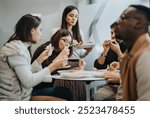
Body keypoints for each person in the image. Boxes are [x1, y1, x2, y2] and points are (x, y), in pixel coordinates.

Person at [0, 14, 74, 101]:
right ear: (32, 30)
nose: (41, 34)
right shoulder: (16, 51)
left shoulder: (21, 48)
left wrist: (39, 60)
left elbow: (26, 73)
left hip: (23, 96)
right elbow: (28, 82)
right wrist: (53, 65)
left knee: (66, 92)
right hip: (14, 100)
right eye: (40, 30)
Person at [31, 29, 86, 101]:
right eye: (64, 40)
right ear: (57, 38)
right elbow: (46, 70)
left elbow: (59, 70)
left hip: (47, 87)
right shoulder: (47, 48)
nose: (67, 44)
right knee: (67, 92)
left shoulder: (58, 52)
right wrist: (60, 56)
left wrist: (78, 67)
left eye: (69, 42)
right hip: (35, 89)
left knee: (68, 91)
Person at [112, 4, 150, 100]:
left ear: (139, 23)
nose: (117, 22)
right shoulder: (129, 54)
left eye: (122, 17)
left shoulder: (146, 56)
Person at [91, 22, 126, 101]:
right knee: (96, 97)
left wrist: (118, 51)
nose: (113, 36)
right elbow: (98, 65)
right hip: (111, 85)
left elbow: (127, 66)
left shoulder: (131, 46)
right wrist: (105, 51)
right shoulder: (111, 47)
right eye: (112, 32)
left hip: (126, 85)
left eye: (116, 33)